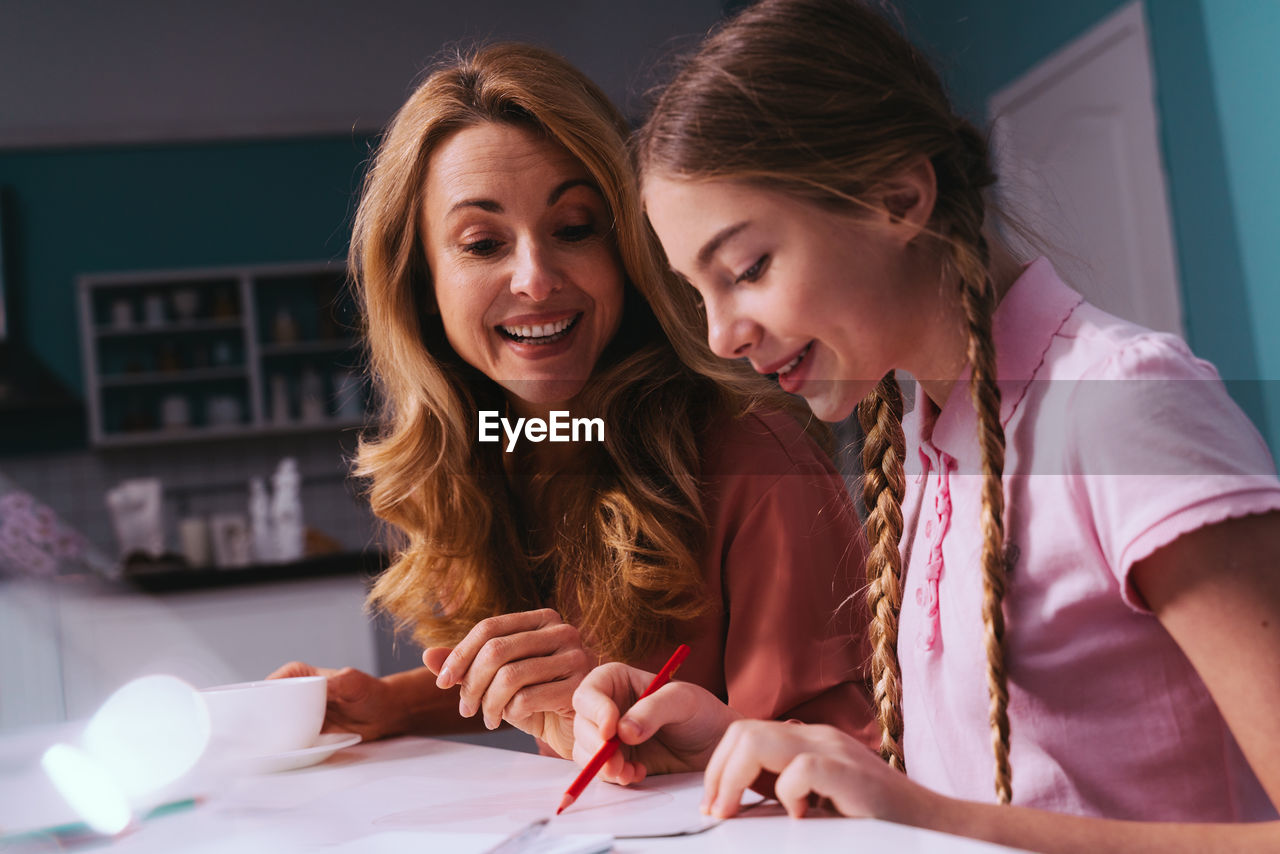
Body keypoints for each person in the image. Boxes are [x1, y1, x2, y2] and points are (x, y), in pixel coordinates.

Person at [570, 0, 1280, 849]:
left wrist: (923, 817)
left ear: (899, 198)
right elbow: (979, 782)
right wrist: (741, 743)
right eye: (699, 293)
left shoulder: (1121, 407)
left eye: (747, 269)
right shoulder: (930, 439)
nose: (722, 335)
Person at [270, 42, 878, 760]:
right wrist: (393, 703)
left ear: (629, 250)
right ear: (422, 287)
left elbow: (852, 753)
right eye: (482, 243)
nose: (535, 277)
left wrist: (623, 711)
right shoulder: (484, 450)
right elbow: (543, 684)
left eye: (573, 229)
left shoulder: (752, 457)